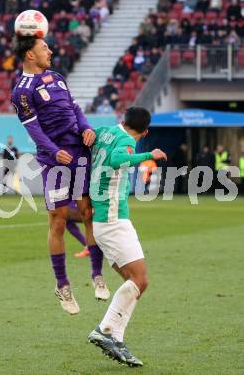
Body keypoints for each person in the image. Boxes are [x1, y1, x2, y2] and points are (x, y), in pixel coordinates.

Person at [11, 35, 109, 315]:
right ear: (30, 55)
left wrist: (87, 127)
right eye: (44, 48)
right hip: (54, 161)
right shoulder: (21, 91)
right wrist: (54, 152)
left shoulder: (57, 77)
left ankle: (97, 274)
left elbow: (75, 109)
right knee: (58, 220)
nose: (50, 51)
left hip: (79, 153)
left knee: (88, 211)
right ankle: (63, 284)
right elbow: (34, 130)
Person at [87, 107, 167, 366]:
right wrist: (149, 154)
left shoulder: (108, 131)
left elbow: (89, 134)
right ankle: (105, 330)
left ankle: (116, 337)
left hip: (103, 220)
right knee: (140, 280)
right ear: (145, 132)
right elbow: (117, 159)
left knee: (134, 284)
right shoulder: (126, 141)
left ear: (123, 120)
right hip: (113, 219)